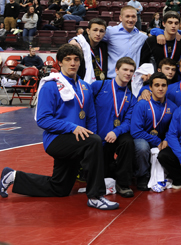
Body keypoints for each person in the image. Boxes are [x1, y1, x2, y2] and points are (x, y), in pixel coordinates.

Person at [0, 44, 119, 210]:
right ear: (60, 63)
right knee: (93, 142)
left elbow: (90, 116)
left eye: (76, 59)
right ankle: (95, 196)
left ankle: (12, 176)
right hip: (56, 140)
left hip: (78, 141)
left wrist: (93, 135)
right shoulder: (51, 85)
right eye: (68, 59)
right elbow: (42, 120)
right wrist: (72, 128)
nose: (72, 63)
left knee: (60, 187)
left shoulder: (85, 87)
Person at [90, 57, 136, 198]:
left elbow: (128, 121)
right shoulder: (99, 86)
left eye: (131, 71)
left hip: (114, 136)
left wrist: (116, 131)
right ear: (116, 70)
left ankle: (123, 184)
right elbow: (87, 108)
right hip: (97, 137)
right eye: (125, 69)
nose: (128, 73)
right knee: (103, 174)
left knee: (127, 141)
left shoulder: (131, 97)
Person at [130, 72, 177, 191]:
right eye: (156, 85)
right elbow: (135, 131)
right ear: (150, 87)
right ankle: (142, 176)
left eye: (163, 85)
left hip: (162, 140)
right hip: (143, 139)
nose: (160, 88)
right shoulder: (142, 104)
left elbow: (173, 129)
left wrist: (166, 140)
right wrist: (157, 141)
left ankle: (167, 176)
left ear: (167, 87)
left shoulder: (172, 107)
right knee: (142, 147)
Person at [70, 18, 109, 83]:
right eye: (95, 30)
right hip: (83, 85)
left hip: (101, 85)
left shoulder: (104, 46)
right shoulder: (80, 45)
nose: (98, 34)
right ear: (88, 31)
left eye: (101, 31)